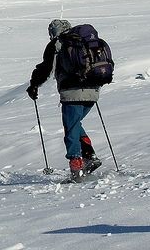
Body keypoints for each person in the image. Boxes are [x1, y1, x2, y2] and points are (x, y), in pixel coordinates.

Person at [26, 19, 102, 181]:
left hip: (71, 91)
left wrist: (34, 85)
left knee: (71, 128)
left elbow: (46, 68)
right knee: (75, 124)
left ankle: (77, 168)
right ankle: (89, 156)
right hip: (93, 89)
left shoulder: (57, 44)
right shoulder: (84, 42)